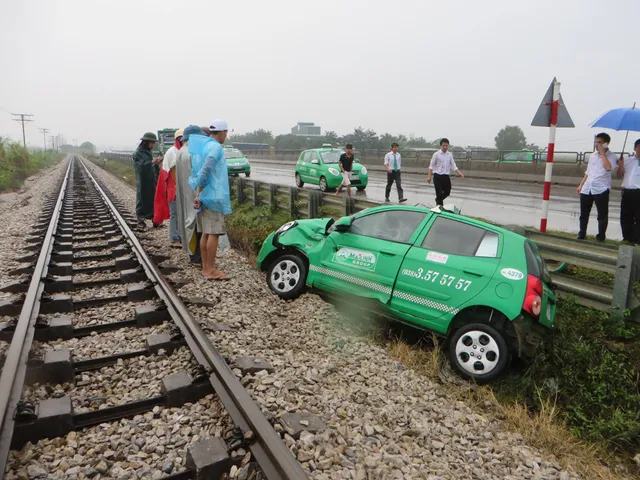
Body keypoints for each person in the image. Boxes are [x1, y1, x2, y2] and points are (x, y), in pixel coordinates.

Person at [189, 120, 232, 280]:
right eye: (226, 133)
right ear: (221, 132)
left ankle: (206, 268)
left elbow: (197, 171)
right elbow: (206, 169)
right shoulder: (215, 147)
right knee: (213, 233)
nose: (226, 136)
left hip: (204, 195)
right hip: (214, 196)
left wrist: (198, 193)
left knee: (206, 232)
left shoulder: (203, 146)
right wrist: (201, 187)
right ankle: (211, 269)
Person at [576, 132, 617, 241]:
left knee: (602, 215)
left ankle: (601, 236)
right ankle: (582, 234)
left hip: (601, 188)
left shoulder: (612, 156)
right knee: (584, 213)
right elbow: (588, 172)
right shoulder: (593, 156)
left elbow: (608, 168)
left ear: (606, 144)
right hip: (588, 187)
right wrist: (581, 185)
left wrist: (603, 154)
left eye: (599, 142)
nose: (596, 144)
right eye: (596, 142)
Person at [175, 125, 204, 265]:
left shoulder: (180, 152)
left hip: (183, 193)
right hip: (194, 194)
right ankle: (197, 257)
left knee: (187, 222)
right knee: (196, 226)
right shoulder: (193, 153)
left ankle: (193, 255)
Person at [133, 132, 162, 231]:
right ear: (146, 142)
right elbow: (140, 167)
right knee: (142, 200)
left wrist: (156, 164)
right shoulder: (138, 153)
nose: (153, 145)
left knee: (153, 199)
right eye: (152, 143)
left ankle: (155, 220)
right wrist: (152, 162)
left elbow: (152, 166)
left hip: (152, 180)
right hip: (143, 181)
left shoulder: (149, 151)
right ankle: (141, 221)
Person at [427, 138, 465, 206]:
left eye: (446, 145)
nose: (445, 147)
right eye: (443, 145)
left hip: (446, 176)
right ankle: (439, 208)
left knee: (447, 192)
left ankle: (438, 200)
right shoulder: (436, 154)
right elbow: (431, 166)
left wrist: (459, 173)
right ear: (441, 146)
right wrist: (429, 176)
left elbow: (453, 165)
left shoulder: (449, 155)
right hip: (437, 176)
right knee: (439, 193)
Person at [616, 138, 640, 245]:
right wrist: (620, 165)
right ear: (635, 148)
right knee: (625, 216)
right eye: (639, 147)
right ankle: (627, 237)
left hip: (638, 192)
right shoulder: (628, 160)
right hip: (627, 192)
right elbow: (619, 175)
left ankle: (637, 239)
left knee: (638, 217)